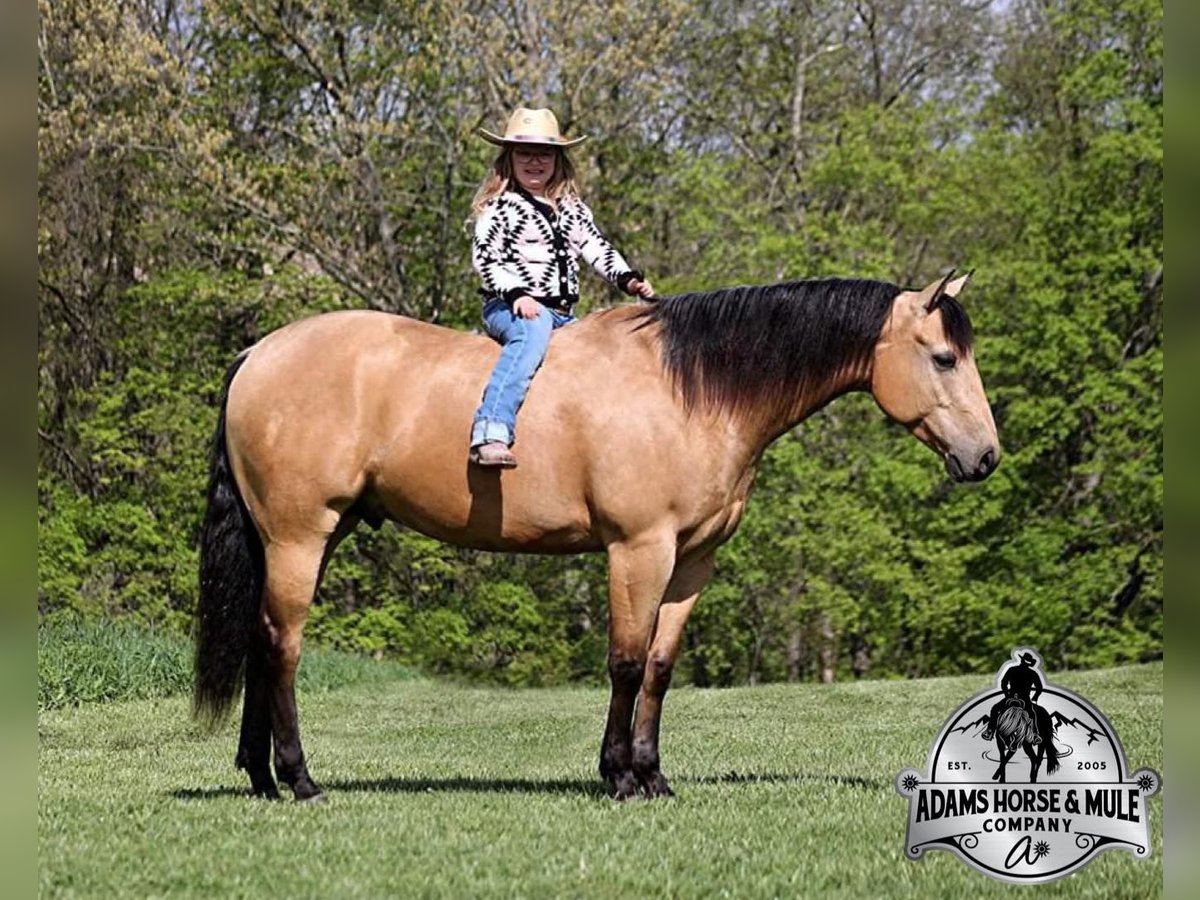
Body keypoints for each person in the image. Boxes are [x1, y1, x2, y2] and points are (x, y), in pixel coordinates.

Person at [467, 107, 655, 468]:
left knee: (602, 348)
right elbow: (487, 261)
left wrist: (626, 278)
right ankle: (490, 428)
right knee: (530, 336)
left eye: (544, 154)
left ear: (558, 160)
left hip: (562, 313)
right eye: (525, 153)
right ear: (509, 159)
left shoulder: (572, 208)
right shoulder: (499, 208)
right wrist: (517, 294)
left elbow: (595, 247)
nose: (534, 162)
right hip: (512, 307)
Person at [982, 651, 1044, 741]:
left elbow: (1004, 683)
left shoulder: (1012, 669)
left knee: (995, 709)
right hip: (1024, 698)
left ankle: (990, 730)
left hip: (1011, 696)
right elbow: (1039, 687)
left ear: (1022, 660)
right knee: (1032, 714)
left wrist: (1007, 694)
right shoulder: (1032, 673)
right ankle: (1034, 734)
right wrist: (1035, 698)